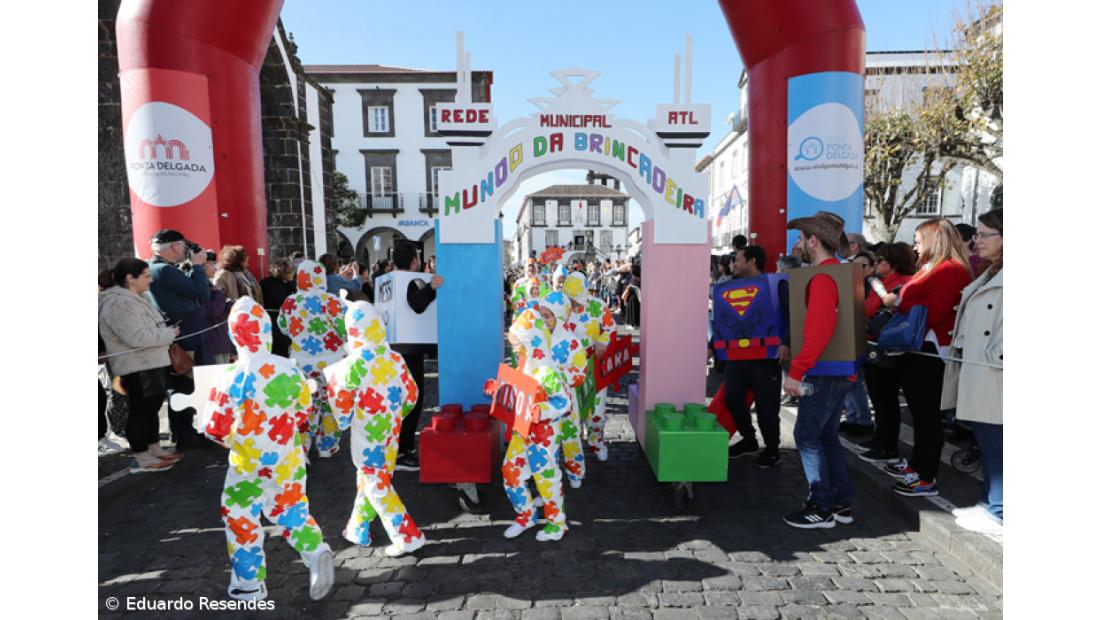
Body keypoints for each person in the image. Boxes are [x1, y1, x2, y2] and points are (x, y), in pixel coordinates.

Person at [203, 297, 334, 602]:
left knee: (240, 515)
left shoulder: (230, 377)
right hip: (287, 458)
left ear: (234, 334)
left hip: (247, 464)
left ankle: (249, 584)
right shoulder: (289, 370)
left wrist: (235, 439)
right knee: (291, 509)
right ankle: (315, 551)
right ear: (267, 331)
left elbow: (215, 430)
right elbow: (303, 413)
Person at [878, 218, 972, 497]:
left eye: (919, 241)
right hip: (920, 348)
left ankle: (926, 474)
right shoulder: (934, 268)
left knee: (927, 415)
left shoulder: (951, 270)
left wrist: (898, 302)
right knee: (920, 414)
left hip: (930, 351)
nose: (916, 247)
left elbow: (932, 310)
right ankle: (920, 467)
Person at [324, 301, 427, 555]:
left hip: (366, 434)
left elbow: (343, 409)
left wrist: (347, 420)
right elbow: (412, 395)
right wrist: (396, 415)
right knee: (373, 478)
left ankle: (408, 536)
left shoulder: (351, 366)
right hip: (392, 430)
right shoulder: (395, 358)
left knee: (375, 482)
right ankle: (358, 527)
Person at [781, 212, 857, 529]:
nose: (798, 245)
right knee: (826, 436)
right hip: (840, 370)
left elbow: (819, 330)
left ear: (814, 241)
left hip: (825, 371)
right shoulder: (841, 273)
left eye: (801, 239)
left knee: (807, 436)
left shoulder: (824, 277)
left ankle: (821, 505)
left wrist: (796, 372)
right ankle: (839, 501)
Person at [943, 209, 1002, 532]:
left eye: (984, 235)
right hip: (980, 364)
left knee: (996, 441)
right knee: (987, 439)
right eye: (977, 234)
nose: (977, 241)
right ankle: (991, 501)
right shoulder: (992, 272)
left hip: (993, 369)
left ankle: (1001, 509)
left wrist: (999, 355)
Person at [99, 257, 183, 473]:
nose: (150, 280)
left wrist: (165, 332)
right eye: (146, 276)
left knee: (152, 407)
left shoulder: (136, 298)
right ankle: (141, 456)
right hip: (136, 365)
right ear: (130, 278)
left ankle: (154, 448)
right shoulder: (118, 303)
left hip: (151, 362)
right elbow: (136, 337)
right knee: (140, 410)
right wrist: (168, 334)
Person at [499, 308, 571, 541]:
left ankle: (556, 523)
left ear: (532, 340)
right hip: (523, 431)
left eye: (518, 342)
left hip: (544, 434)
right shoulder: (524, 366)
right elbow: (518, 393)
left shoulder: (548, 371)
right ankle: (526, 514)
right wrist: (499, 389)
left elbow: (564, 403)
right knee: (511, 470)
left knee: (546, 478)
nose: (515, 347)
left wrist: (543, 409)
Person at [723, 246, 789, 468]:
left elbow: (791, 315)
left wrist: (786, 342)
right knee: (732, 398)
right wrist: (714, 346)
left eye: (738, 259)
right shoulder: (729, 287)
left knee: (767, 407)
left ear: (751, 261)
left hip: (767, 358)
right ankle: (749, 440)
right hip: (737, 356)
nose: (734, 264)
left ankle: (772, 449)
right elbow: (724, 321)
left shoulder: (775, 285)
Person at [277, 260, 349, 458]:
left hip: (301, 362)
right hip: (333, 363)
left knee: (305, 405)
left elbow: (283, 327)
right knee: (331, 404)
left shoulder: (289, 302)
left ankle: (302, 448)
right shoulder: (332, 301)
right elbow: (345, 329)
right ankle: (328, 446)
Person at [147, 229, 211, 449]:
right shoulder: (164, 270)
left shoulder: (161, 269)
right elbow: (202, 293)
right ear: (174, 246)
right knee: (185, 384)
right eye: (183, 246)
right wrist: (196, 266)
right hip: (186, 335)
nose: (185, 250)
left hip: (183, 333)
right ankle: (184, 434)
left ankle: (184, 432)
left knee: (184, 385)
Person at [858, 243, 918, 464]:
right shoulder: (883, 282)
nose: (876, 265)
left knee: (886, 400)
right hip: (874, 345)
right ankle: (880, 439)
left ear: (893, 263)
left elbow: (893, 312)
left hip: (887, 349)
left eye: (880, 260)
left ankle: (887, 445)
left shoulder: (901, 284)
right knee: (879, 399)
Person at [391, 242, 444, 471]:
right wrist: (431, 287)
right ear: (414, 260)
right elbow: (417, 304)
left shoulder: (387, 279)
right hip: (409, 350)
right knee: (412, 399)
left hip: (393, 348)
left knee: (400, 400)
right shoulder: (409, 281)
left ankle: (403, 447)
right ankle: (402, 452)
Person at [536, 291, 588, 488]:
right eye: (541, 314)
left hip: (567, 402)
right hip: (544, 400)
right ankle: (548, 481)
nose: (543, 320)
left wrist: (557, 377)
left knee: (570, 437)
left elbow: (580, 372)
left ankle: (575, 472)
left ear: (558, 316)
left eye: (547, 316)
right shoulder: (538, 338)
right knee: (547, 440)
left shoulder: (572, 342)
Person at [562, 272, 616, 462]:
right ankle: (574, 460)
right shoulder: (559, 308)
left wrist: (602, 340)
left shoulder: (598, 306)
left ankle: (595, 440)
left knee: (597, 412)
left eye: (577, 299)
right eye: (572, 299)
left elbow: (610, 328)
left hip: (594, 365)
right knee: (572, 416)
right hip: (569, 368)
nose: (575, 304)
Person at [259, 258, 296, 358]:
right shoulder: (286, 286)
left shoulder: (264, 282)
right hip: (280, 328)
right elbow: (284, 303)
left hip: (267, 325)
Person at [201, 252, 234, 365]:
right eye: (211, 264)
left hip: (220, 337)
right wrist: (219, 294)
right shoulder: (201, 287)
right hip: (213, 340)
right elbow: (213, 311)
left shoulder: (209, 285)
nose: (215, 268)